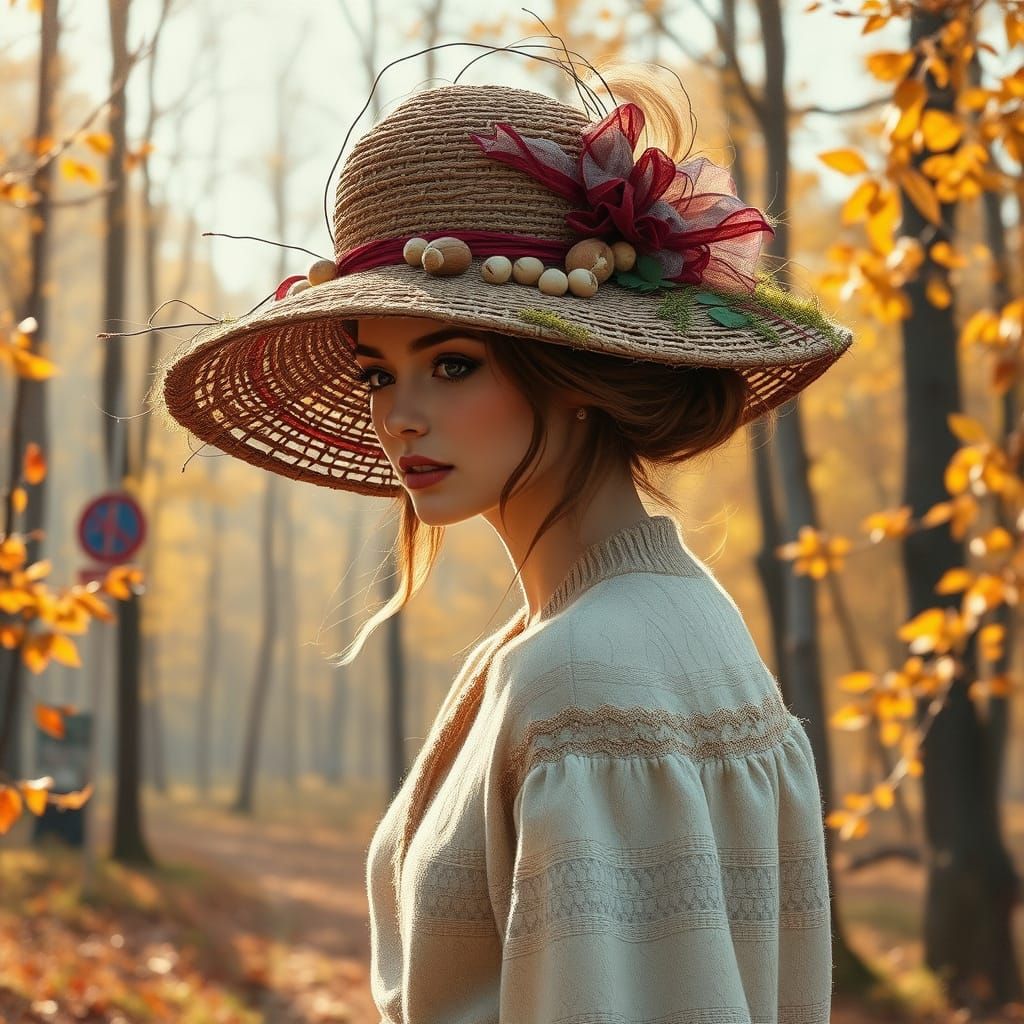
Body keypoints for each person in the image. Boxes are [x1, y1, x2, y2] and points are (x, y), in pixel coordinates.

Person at [150, 52, 851, 1024]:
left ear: (570, 368)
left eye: (450, 362)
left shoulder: (580, 674)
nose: (398, 415)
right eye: (375, 372)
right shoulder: (668, 621)